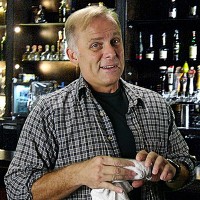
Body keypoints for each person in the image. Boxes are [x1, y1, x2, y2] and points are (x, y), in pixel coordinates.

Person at [5, 5, 195, 200]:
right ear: (73, 55)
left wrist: (172, 170)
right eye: (96, 45)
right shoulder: (49, 111)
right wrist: (78, 174)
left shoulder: (156, 103)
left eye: (115, 41)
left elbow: (186, 168)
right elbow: (17, 190)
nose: (111, 52)